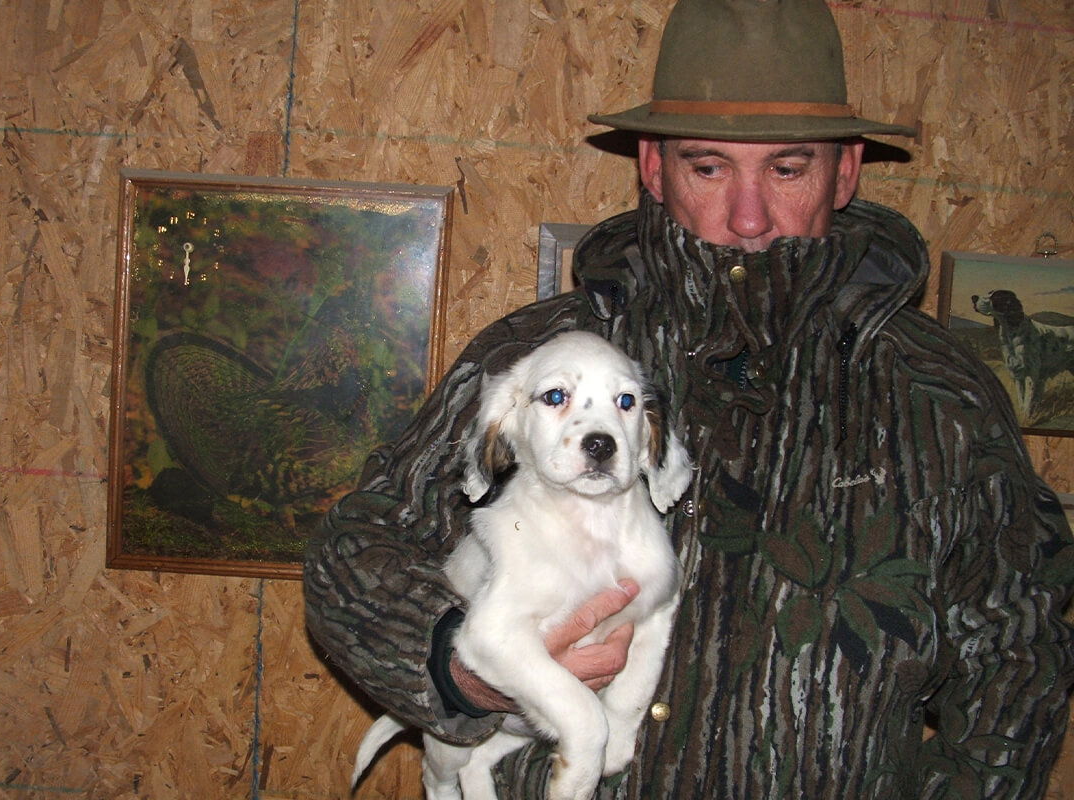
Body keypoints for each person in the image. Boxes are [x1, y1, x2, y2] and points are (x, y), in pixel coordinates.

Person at [304, 0, 1074, 797]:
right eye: (708, 168)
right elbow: (355, 549)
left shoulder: (938, 394)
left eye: (787, 168)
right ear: (653, 166)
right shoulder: (533, 366)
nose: (746, 217)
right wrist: (458, 666)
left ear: (845, 171)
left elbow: (1019, 645)